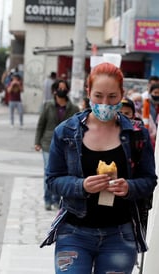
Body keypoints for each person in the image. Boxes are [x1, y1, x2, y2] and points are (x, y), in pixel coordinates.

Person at [40, 62, 157, 273]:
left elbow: (149, 180)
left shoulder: (137, 134)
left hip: (120, 235)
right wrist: (81, 185)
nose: (105, 103)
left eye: (112, 97)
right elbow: (52, 180)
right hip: (74, 233)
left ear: (122, 94)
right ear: (88, 93)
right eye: (98, 96)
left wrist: (129, 187)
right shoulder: (65, 132)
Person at [34, 79, 80, 211]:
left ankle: (56, 199)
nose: (62, 90)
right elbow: (41, 124)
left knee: (61, 173)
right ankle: (47, 199)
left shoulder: (73, 108)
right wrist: (37, 142)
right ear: (54, 90)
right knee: (49, 172)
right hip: (48, 143)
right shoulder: (48, 106)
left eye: (64, 88)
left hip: (66, 145)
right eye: (59, 88)